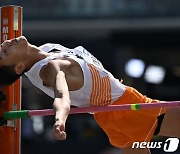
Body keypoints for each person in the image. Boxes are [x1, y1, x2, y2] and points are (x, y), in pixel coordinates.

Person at [0, 36, 179, 154]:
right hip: (124, 108)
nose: (5, 43)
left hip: (110, 114)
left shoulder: (44, 51)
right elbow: (62, 96)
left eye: (3, 46)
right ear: (18, 67)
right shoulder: (49, 69)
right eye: (5, 53)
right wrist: (59, 120)